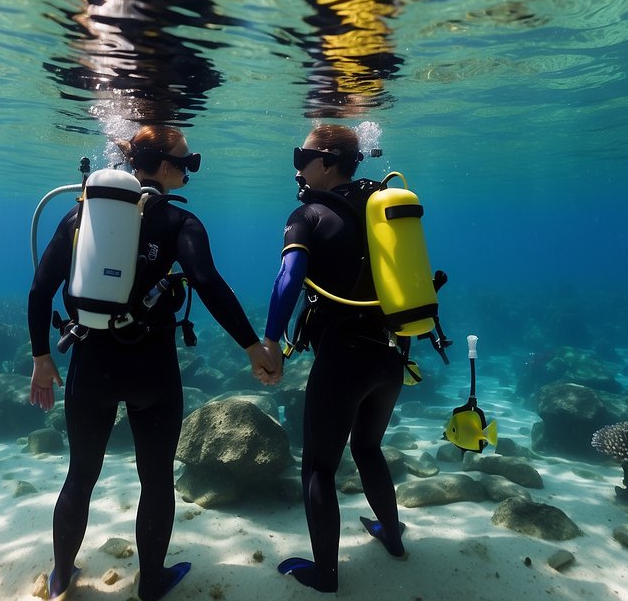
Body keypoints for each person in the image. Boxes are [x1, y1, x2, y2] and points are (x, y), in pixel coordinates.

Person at [27, 125, 278, 601]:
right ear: (163, 167)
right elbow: (207, 282)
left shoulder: (80, 215)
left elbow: (41, 290)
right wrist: (252, 347)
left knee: (80, 475)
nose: (190, 169)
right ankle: (153, 581)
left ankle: (61, 576)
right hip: (152, 370)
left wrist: (42, 357)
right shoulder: (181, 223)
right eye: (187, 161)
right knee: (157, 478)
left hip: (91, 363)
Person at [262, 123, 408, 593]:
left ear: (325, 161)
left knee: (319, 467)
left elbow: (288, 279)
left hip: (343, 360)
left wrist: (270, 340)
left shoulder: (308, 215)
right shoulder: (381, 207)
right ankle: (393, 538)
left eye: (299, 155)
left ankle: (325, 574)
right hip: (390, 357)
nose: (297, 166)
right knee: (367, 448)